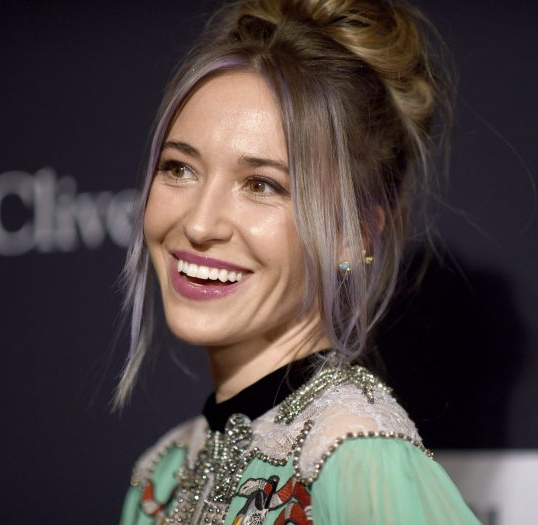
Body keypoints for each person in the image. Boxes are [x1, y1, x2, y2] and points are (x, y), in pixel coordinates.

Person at [118, 0, 479, 523]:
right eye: (179, 168)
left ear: (353, 233)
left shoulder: (356, 459)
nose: (199, 223)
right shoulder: (162, 475)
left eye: (261, 184)